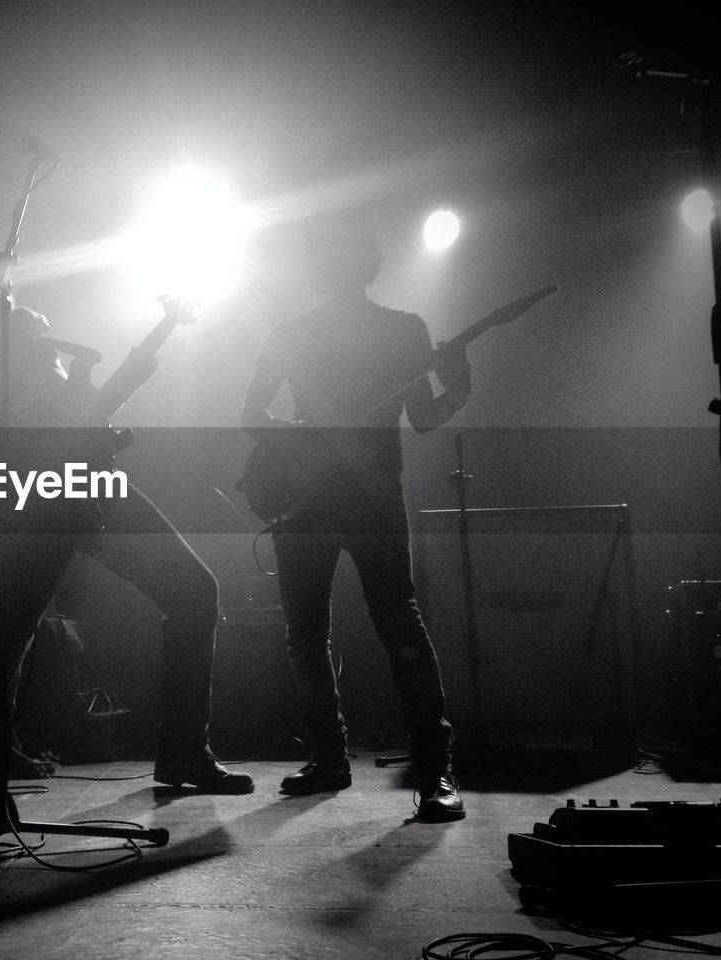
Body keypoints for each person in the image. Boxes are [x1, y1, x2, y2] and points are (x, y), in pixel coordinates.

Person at [0, 292, 255, 815]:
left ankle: (185, 750)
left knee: (193, 592)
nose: (45, 331)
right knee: (9, 630)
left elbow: (92, 412)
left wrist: (157, 332)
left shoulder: (40, 357)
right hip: (38, 492)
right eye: (33, 330)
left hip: (92, 484)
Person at [239, 215, 468, 822]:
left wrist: (458, 383)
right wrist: (305, 438)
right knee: (340, 633)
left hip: (358, 498)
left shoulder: (399, 331)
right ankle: (349, 762)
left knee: (362, 630)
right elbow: (251, 413)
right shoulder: (377, 330)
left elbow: (418, 417)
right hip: (317, 498)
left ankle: (426, 767)